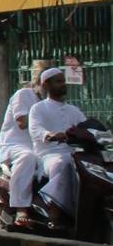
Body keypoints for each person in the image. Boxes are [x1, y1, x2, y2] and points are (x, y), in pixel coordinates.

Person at [28, 67, 85, 230]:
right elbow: (35, 130)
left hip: (74, 153)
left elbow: (85, 126)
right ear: (46, 85)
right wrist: (50, 135)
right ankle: (54, 214)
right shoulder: (38, 108)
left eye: (63, 81)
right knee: (62, 163)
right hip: (48, 155)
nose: (63, 84)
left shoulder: (73, 110)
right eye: (58, 81)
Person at [0, 68, 42, 229]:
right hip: (15, 145)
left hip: (43, 148)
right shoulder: (24, 95)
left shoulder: (55, 101)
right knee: (27, 157)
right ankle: (21, 209)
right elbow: (22, 122)